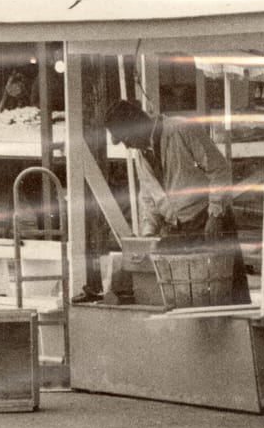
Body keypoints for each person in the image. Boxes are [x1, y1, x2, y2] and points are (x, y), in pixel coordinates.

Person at [104, 96, 249, 302]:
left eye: (126, 139)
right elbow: (149, 198)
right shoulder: (141, 155)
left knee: (227, 293)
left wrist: (215, 215)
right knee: (189, 297)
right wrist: (148, 235)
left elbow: (219, 169)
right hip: (179, 229)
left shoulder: (181, 129)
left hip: (208, 221)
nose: (127, 147)